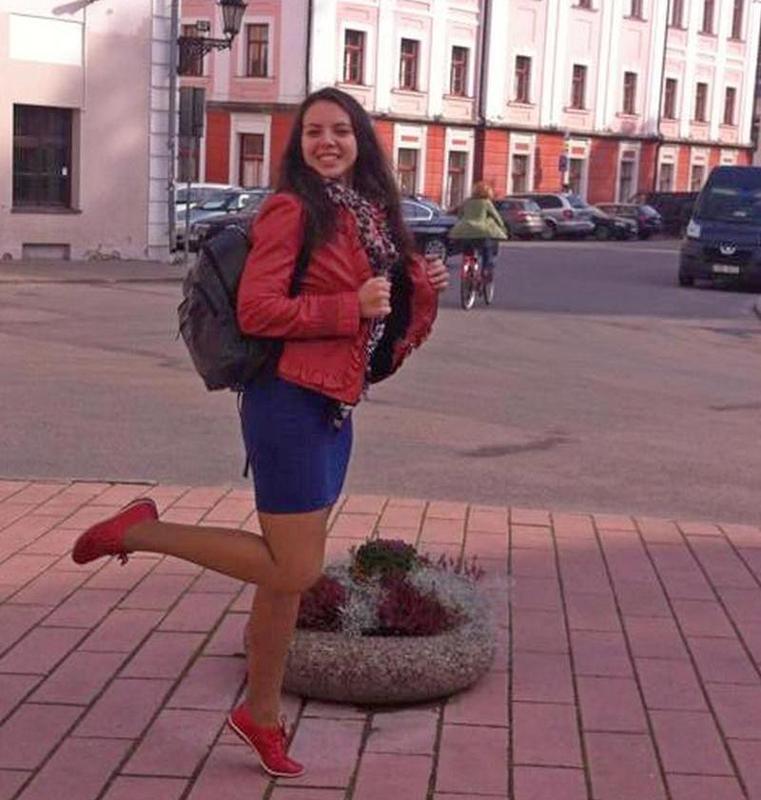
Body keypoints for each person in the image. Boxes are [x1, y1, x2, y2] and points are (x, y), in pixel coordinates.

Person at [70, 87, 448, 778]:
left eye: (339, 130)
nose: (326, 142)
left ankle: (261, 715)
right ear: (298, 145)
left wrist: (420, 289)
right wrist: (349, 305)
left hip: (334, 408)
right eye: (313, 132)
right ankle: (139, 530)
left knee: (282, 580)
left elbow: (382, 333)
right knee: (295, 568)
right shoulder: (291, 209)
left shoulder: (368, 215)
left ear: (360, 140)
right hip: (287, 403)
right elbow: (259, 310)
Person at [449, 181, 508, 279]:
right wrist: (502, 228)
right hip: (481, 232)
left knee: (468, 252)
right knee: (488, 252)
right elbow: (496, 217)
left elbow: (460, 215)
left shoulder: (466, 202)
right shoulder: (486, 203)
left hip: (464, 232)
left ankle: (467, 270)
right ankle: (485, 271)